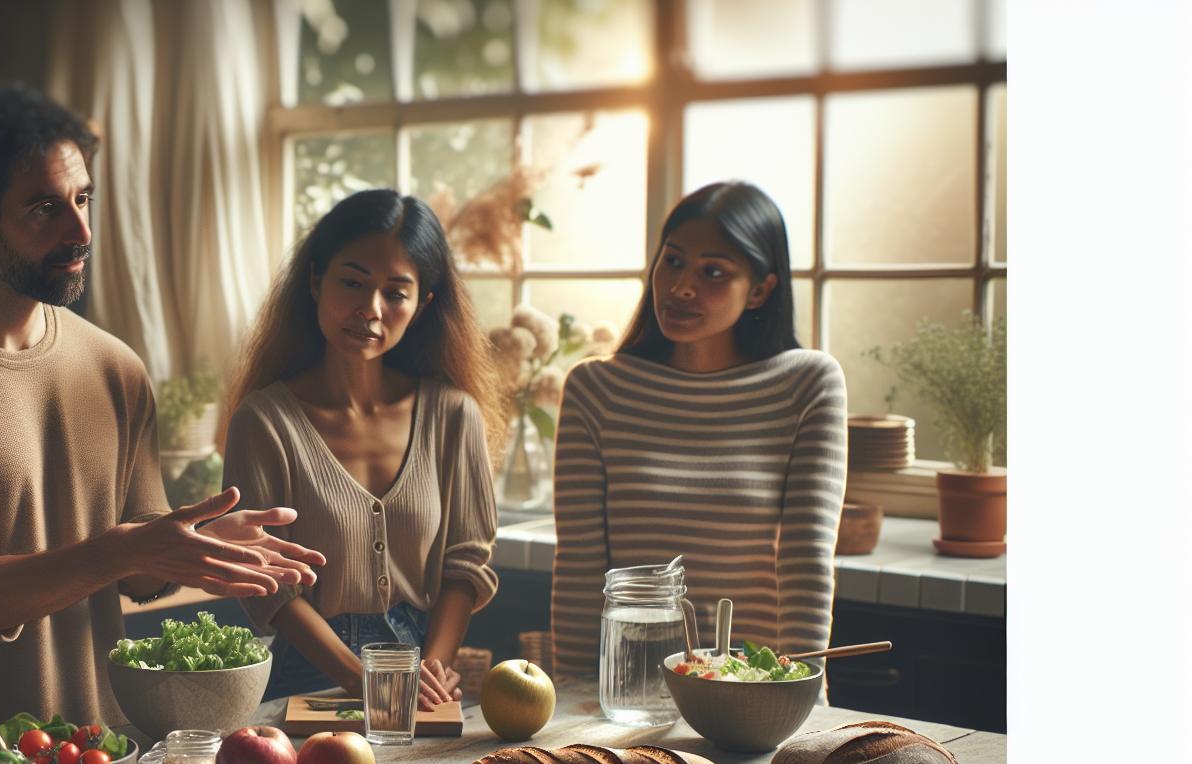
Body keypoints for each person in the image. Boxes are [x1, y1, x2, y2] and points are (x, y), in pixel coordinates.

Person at [0, 86, 324, 752]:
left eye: (83, 198)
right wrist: (130, 547)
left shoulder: (114, 366)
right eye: (44, 209)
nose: (81, 232)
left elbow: (138, 577)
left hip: (105, 750)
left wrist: (192, 544)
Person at [551, 181, 847, 687]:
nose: (682, 286)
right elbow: (580, 571)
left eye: (713, 272)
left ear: (760, 290)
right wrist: (577, 696)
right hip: (630, 696)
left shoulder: (807, 383)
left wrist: (801, 697)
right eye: (673, 261)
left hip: (753, 695)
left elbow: (806, 565)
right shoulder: (596, 389)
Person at [222, 190, 507, 707]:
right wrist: (362, 677)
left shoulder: (453, 415)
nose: (369, 310)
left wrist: (433, 670)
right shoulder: (265, 422)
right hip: (308, 677)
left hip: (423, 681)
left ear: (423, 304)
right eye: (352, 282)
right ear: (315, 281)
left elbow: (466, 564)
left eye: (395, 293)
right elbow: (268, 581)